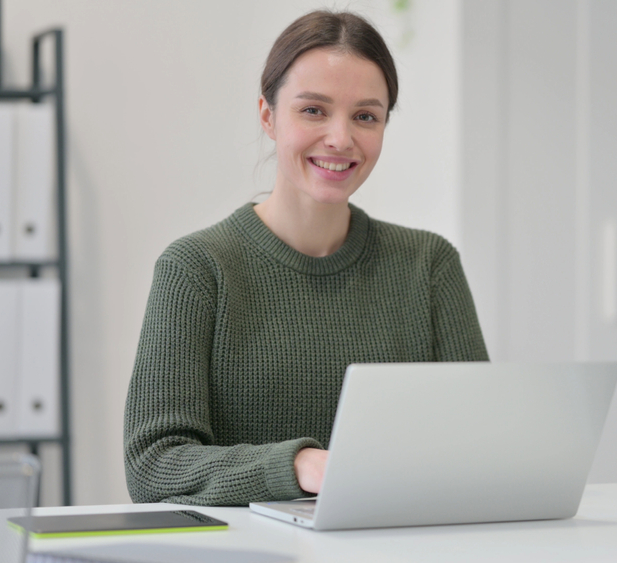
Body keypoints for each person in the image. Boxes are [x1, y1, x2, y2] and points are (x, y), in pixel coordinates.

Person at [123, 10, 488, 506]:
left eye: (365, 116)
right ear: (269, 116)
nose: (341, 138)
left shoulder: (429, 265)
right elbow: (154, 464)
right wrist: (297, 465)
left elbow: (482, 444)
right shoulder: (196, 268)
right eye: (314, 110)